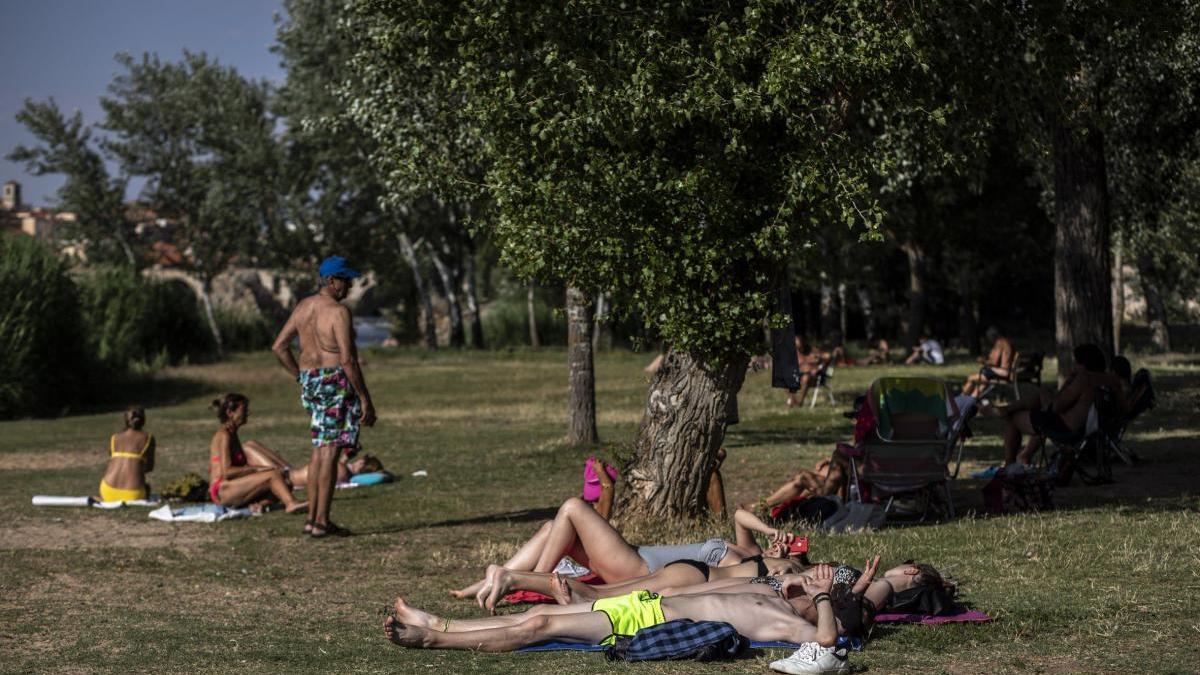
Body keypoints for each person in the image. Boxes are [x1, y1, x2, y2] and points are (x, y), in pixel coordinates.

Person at [384, 564, 841, 652]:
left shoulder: (789, 623)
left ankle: (433, 639)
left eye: (816, 594)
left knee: (539, 623)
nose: (807, 590)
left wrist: (822, 600)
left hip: (649, 623)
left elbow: (827, 637)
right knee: (528, 615)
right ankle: (441, 621)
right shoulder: (777, 595)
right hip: (646, 604)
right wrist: (796, 579)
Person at [450, 495, 797, 603]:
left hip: (639, 568)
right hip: (633, 555)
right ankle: (481, 587)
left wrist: (775, 559)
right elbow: (739, 515)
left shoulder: (745, 560)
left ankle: (532, 578)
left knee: (573, 508)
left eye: (784, 555)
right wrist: (772, 530)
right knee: (552, 528)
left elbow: (768, 572)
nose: (778, 550)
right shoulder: (748, 545)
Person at [272, 255, 376, 538]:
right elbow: (347, 360)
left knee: (320, 451)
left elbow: (279, 347)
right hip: (334, 381)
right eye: (346, 280)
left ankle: (312, 519)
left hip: (312, 381)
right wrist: (365, 398)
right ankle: (321, 521)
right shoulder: (339, 312)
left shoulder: (303, 307)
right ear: (332, 281)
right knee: (330, 453)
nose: (351, 286)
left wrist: (299, 376)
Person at [998, 344, 1126, 467]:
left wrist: (1067, 383)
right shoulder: (1112, 381)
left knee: (1012, 418)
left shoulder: (1084, 379)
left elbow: (1056, 407)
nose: (1074, 366)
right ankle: (1008, 411)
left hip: (1067, 429)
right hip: (1094, 430)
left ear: (1083, 365)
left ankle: (1009, 467)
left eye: (1076, 363)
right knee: (1043, 396)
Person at [208, 393, 308, 514]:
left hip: (232, 487)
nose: (248, 413)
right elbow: (227, 472)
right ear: (230, 413)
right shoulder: (224, 435)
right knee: (273, 475)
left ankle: (257, 506)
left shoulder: (232, 433)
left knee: (286, 483)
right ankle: (291, 504)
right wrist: (259, 469)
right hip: (222, 490)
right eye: (244, 410)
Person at [97, 408, 155, 502]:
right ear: (143, 419)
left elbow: (113, 462)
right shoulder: (148, 438)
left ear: (126, 420)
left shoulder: (114, 438)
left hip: (107, 491)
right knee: (147, 487)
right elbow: (150, 467)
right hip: (133, 494)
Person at [962, 327, 1015, 398]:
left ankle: (960, 400)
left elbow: (993, 363)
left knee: (971, 378)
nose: (989, 341)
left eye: (989, 338)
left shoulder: (1000, 343)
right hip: (1005, 372)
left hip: (1002, 373)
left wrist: (983, 361)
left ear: (993, 336)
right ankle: (971, 400)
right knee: (982, 382)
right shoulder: (1006, 342)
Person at [787, 336, 828, 408]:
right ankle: (794, 400)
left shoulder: (813, 351)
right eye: (798, 348)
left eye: (801, 347)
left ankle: (800, 402)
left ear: (804, 344)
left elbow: (827, 357)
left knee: (806, 378)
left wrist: (819, 368)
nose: (800, 349)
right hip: (799, 375)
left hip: (814, 377)